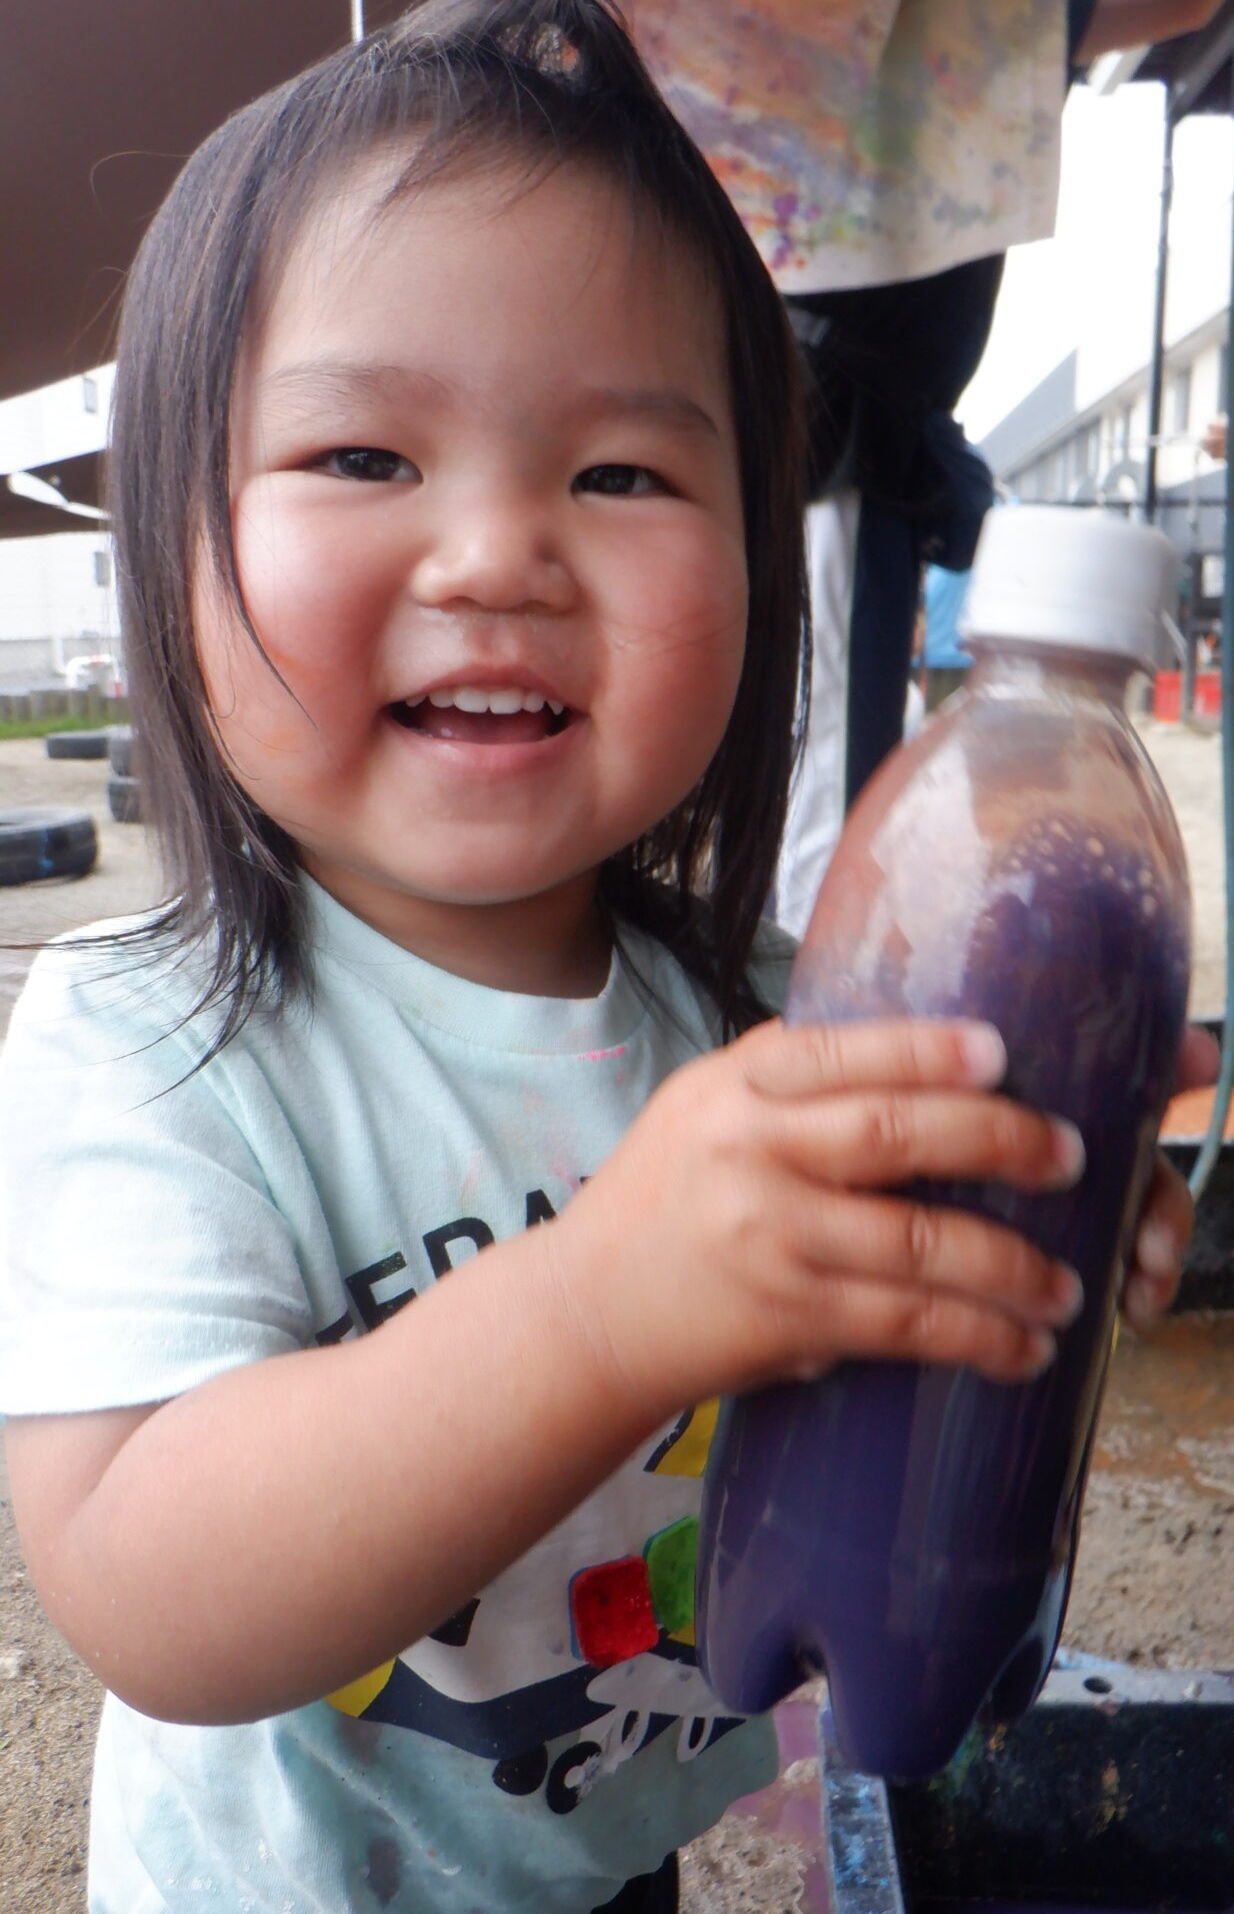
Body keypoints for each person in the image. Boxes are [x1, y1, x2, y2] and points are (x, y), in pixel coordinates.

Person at [0, 5, 1210, 1911]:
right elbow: (152, 1593)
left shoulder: (763, 1015)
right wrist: (598, 1302)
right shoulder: (152, 1043)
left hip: (605, 1849)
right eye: (361, 451)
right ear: (167, 547)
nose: (498, 553)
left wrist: (1017, 1219)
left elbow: (878, 1364)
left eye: (624, 475)